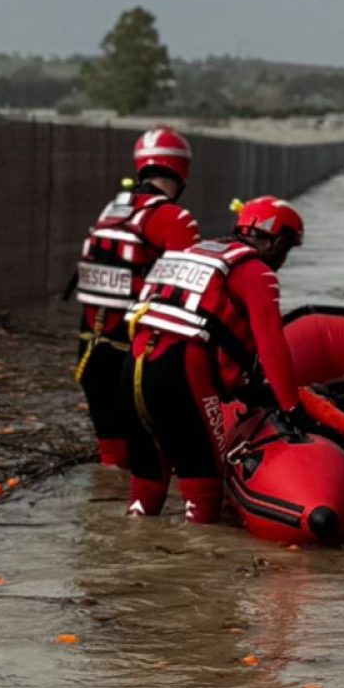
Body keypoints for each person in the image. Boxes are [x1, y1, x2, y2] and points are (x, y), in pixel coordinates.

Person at [120, 196, 311, 522]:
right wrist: (293, 409)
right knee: (204, 488)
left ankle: (132, 561)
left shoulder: (190, 253)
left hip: (132, 366)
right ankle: (201, 568)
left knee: (146, 485)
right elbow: (272, 348)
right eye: (286, 249)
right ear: (278, 241)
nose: (283, 260)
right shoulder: (256, 272)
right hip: (181, 370)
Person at [71, 126, 200, 468]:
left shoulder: (112, 210)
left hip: (89, 347)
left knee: (112, 458)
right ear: (182, 171)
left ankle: (104, 514)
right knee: (152, 456)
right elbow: (192, 295)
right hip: (136, 355)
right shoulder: (175, 219)